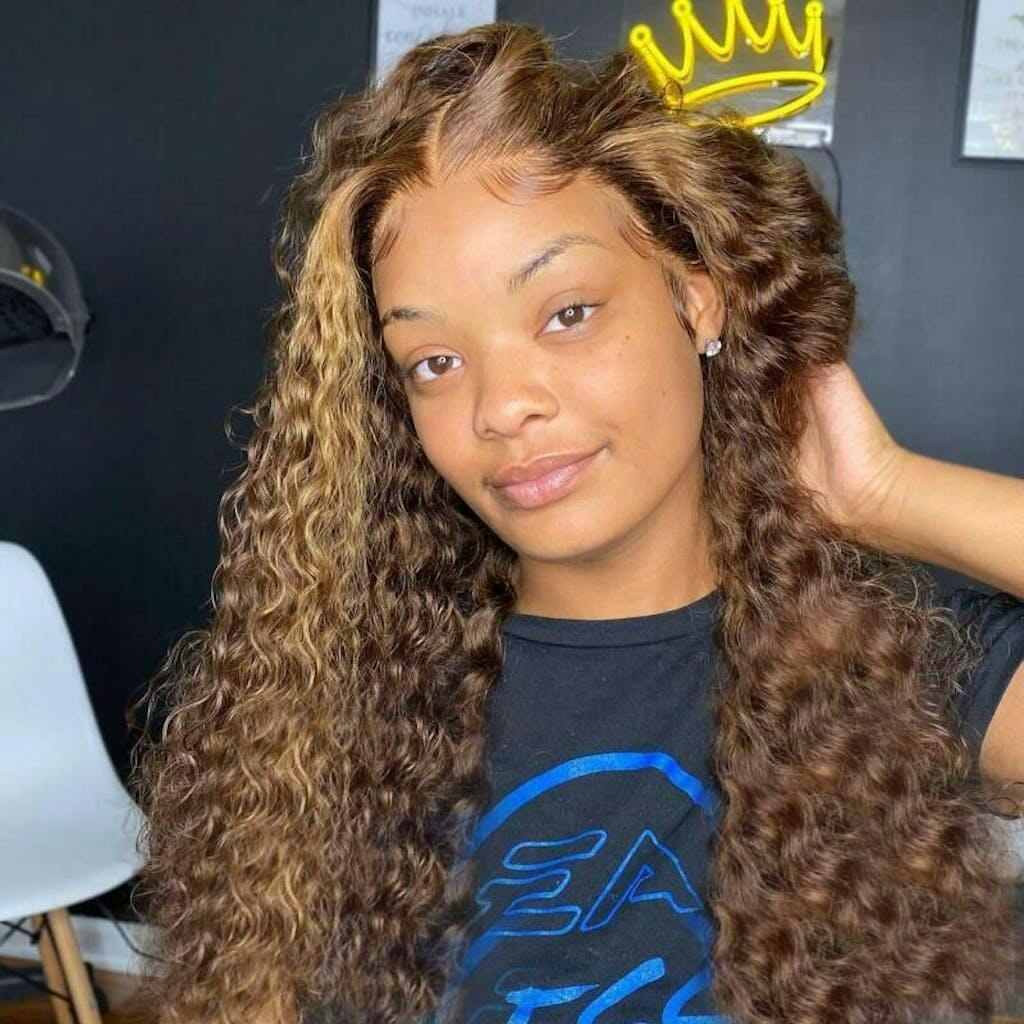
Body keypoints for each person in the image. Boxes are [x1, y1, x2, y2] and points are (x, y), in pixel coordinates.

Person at [126, 20, 1024, 1024]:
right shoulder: (330, 695)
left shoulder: (889, 656)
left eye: (567, 313)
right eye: (435, 362)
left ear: (697, 300)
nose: (502, 406)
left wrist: (888, 493)